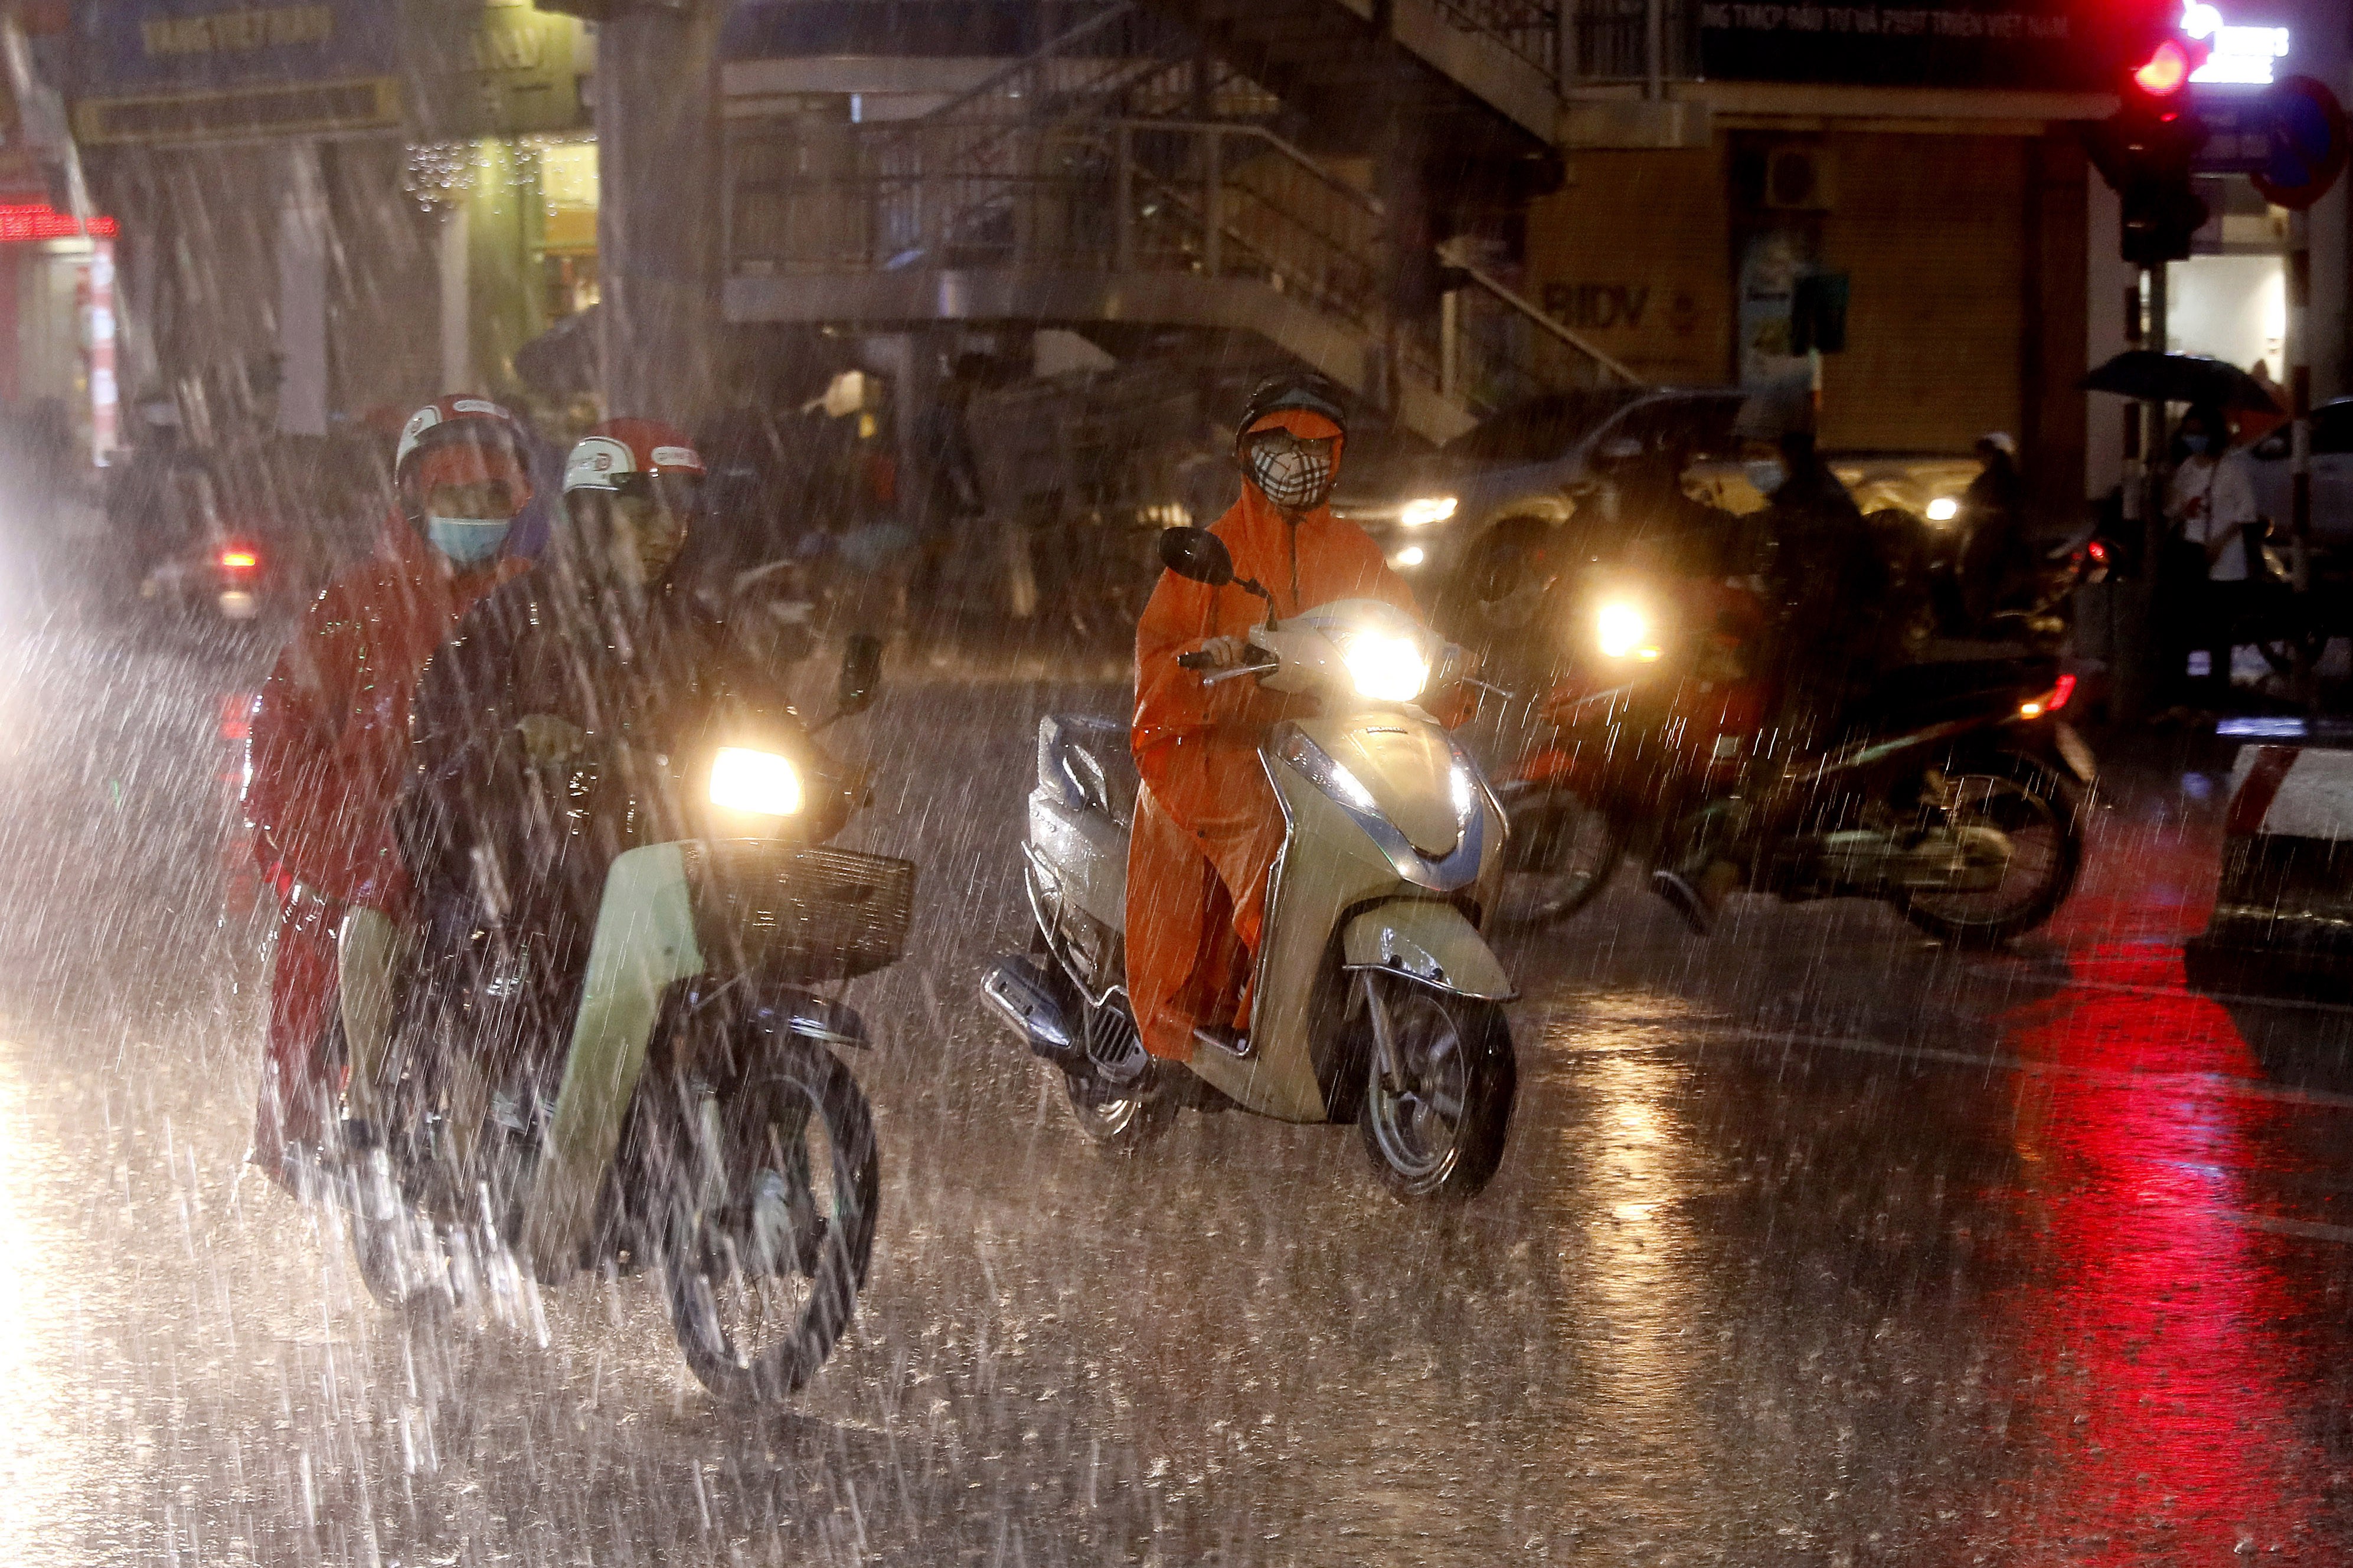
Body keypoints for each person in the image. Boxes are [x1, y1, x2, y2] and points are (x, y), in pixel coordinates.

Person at [397, 420, 790, 1094]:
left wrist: (811, 762)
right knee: (545, 949)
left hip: (660, 847)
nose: (668, 529)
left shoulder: (695, 627)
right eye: (643, 511)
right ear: (587, 518)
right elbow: (438, 727)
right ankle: (516, 1093)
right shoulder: (514, 615)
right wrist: (512, 739)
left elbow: (760, 712)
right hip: (527, 852)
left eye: (680, 511)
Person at [243, 395, 535, 1189]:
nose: (474, 516)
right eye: (455, 499)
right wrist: (342, 828)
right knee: (378, 911)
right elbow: (280, 735)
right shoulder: (352, 609)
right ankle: (365, 1101)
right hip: (396, 838)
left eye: (489, 499)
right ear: (413, 501)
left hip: (514, 827)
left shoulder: (536, 601)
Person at [1126, 374, 1450, 1065]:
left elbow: (1401, 624)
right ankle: (1256, 1019)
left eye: (1315, 444)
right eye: (1280, 441)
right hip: (1219, 742)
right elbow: (1157, 661)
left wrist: (1446, 663)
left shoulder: (1357, 553)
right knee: (1279, 853)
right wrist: (1203, 657)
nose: (1297, 457)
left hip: (1328, 742)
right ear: (1248, 454)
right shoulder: (1216, 550)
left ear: (1335, 456)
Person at [1652, 427, 1880, 934]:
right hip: (1819, 653)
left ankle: (1718, 879)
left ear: (1790, 455)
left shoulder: (1820, 513)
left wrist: (1763, 641)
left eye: (1763, 455)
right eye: (1750, 455)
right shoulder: (1796, 501)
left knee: (1779, 765)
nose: (1755, 466)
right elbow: (1747, 545)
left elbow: (1815, 607)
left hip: (1837, 664)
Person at [2165, 404, 2262, 709]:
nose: (2193, 438)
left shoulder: (2232, 471)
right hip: (2192, 554)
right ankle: (2182, 698)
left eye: (2199, 432)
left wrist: (2220, 542)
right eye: (2188, 432)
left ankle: (2217, 698)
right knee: (2182, 627)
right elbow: (2172, 509)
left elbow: (2246, 514)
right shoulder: (2187, 469)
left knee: (2219, 631)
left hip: (2224, 561)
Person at [1956, 431, 2030, 630]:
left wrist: (1992, 516)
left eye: (1985, 454)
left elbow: (2015, 511)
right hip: (1991, 537)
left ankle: (1990, 615)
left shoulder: (2004, 482)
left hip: (2001, 540)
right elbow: (1969, 506)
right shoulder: (1986, 482)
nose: (1982, 459)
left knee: (1984, 570)